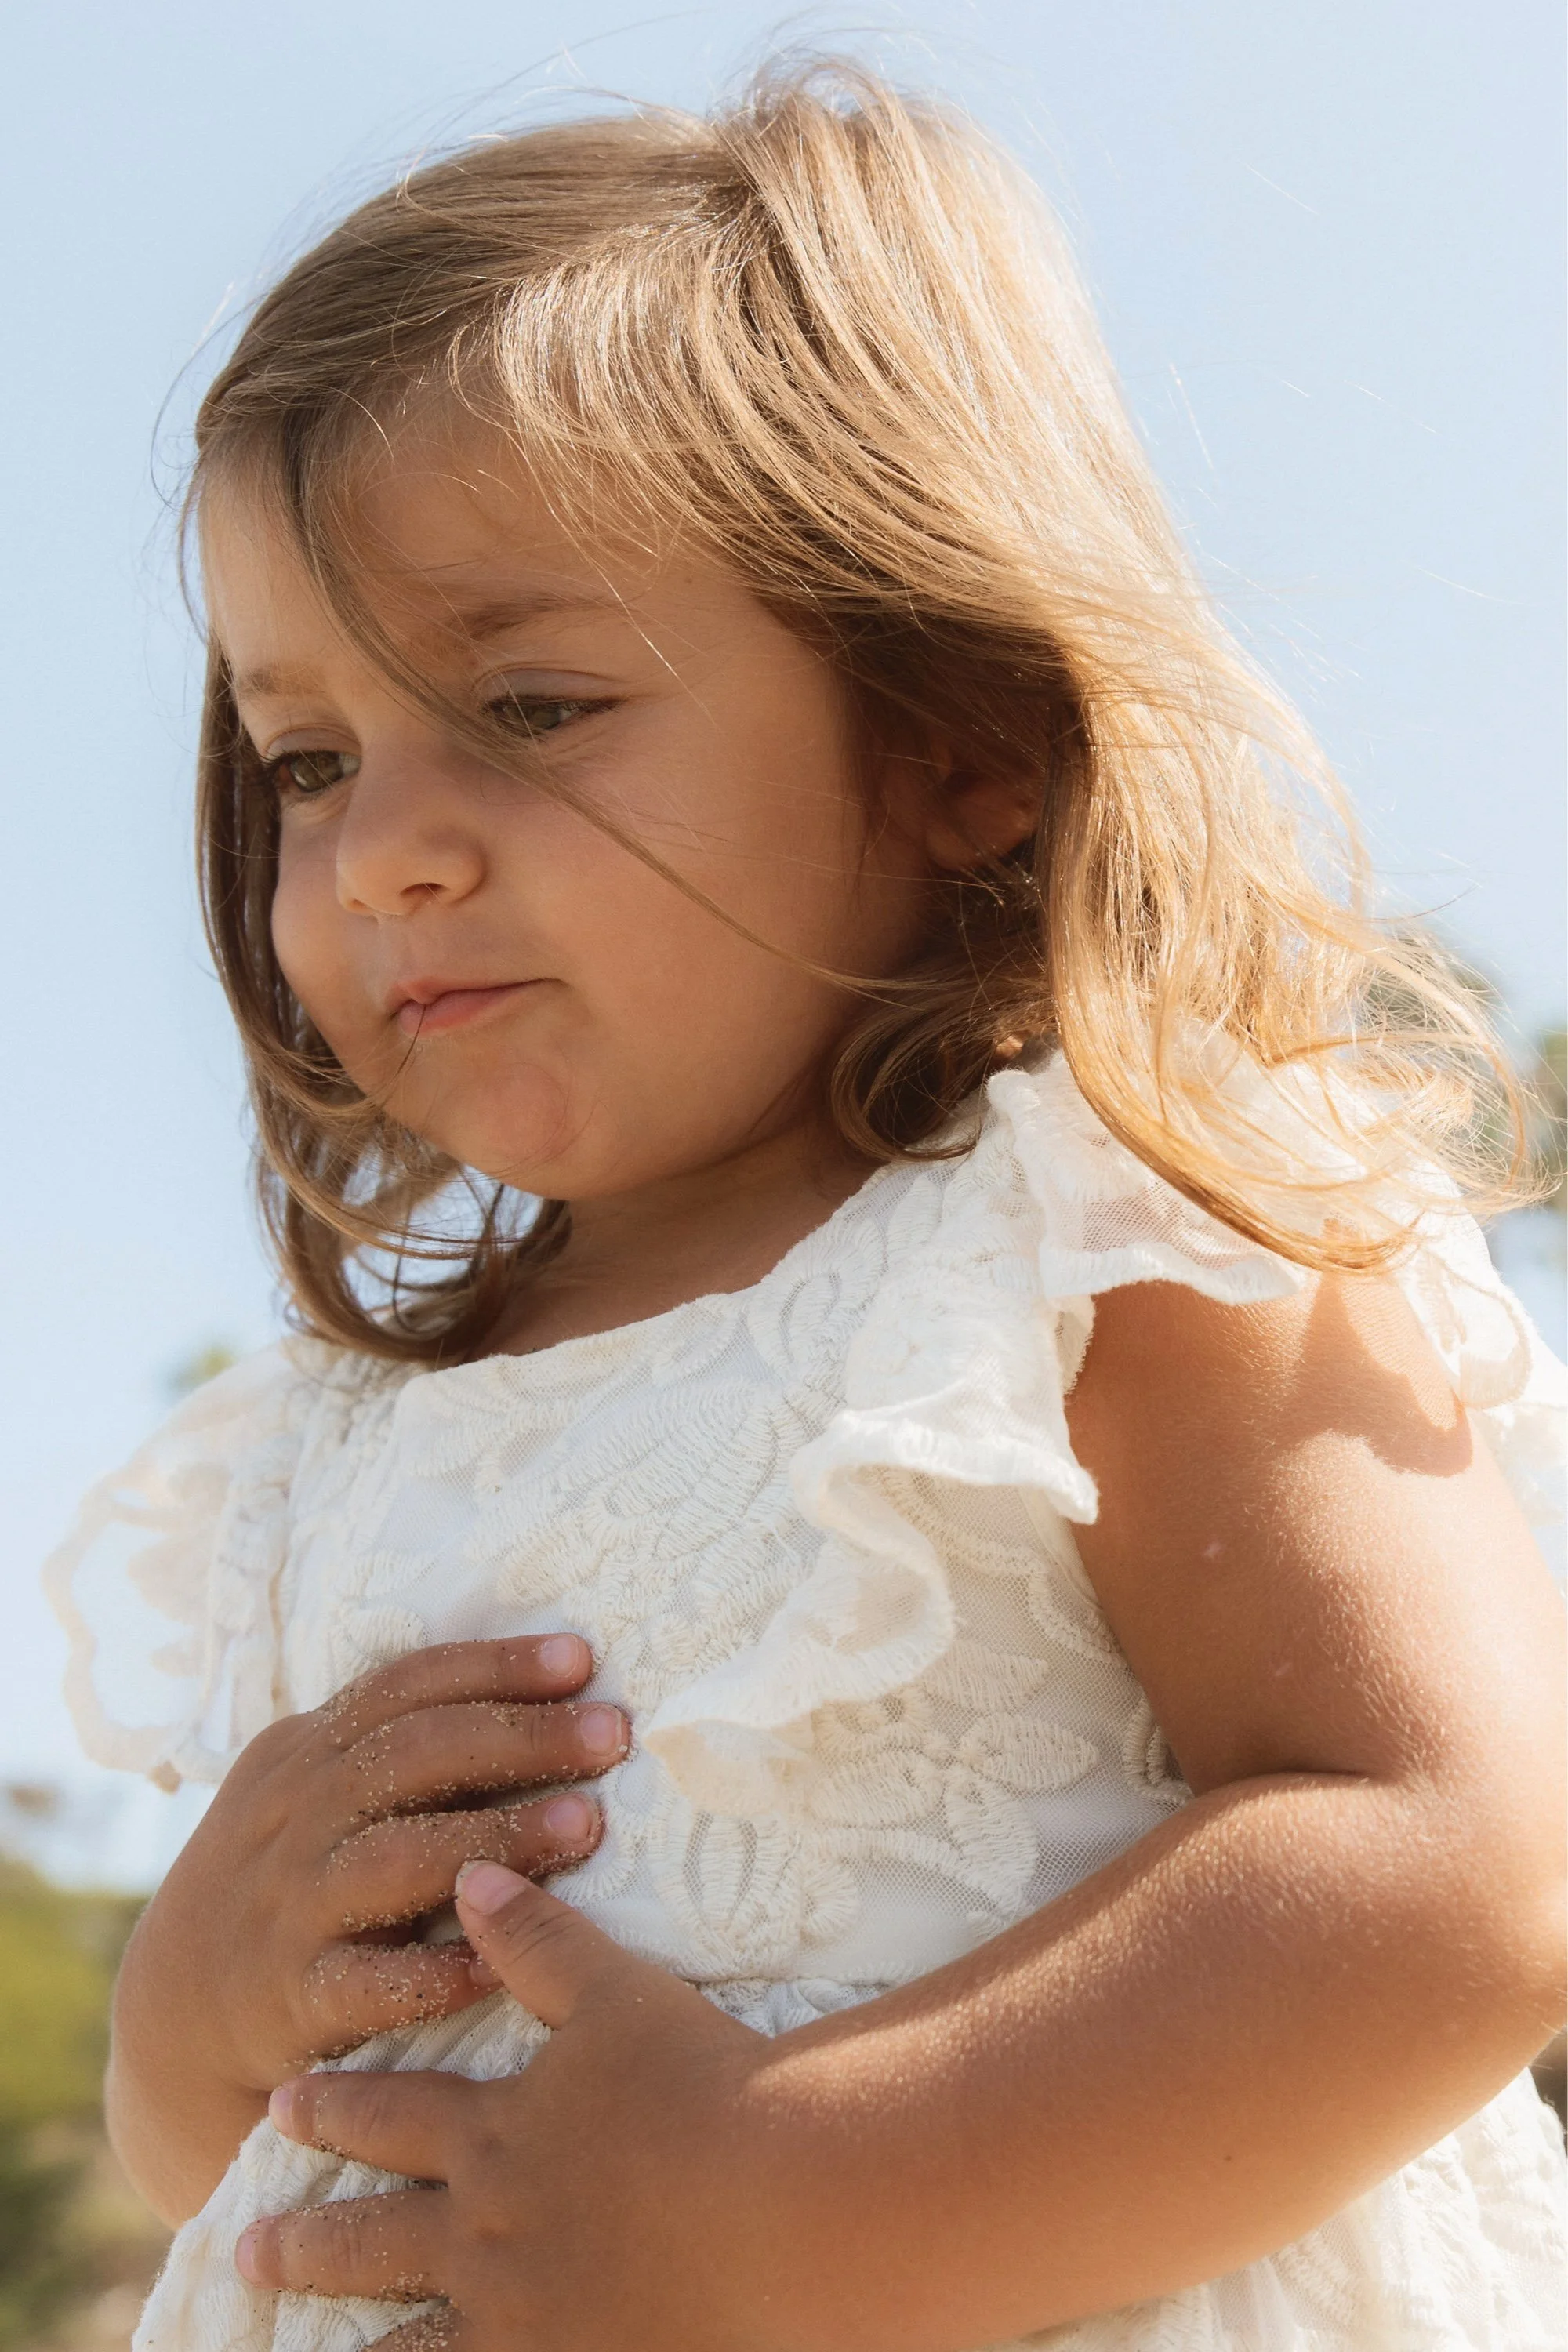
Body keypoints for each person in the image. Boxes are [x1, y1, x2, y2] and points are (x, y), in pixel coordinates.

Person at [46, 60, 1566, 2352]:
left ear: (952, 729)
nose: (386, 853)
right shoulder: (342, 1427)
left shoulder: (1098, 1232)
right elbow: (217, 2168)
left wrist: (795, 2206)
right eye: (308, 759)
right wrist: (187, 2011)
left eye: (533, 702)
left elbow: (1450, 1875)